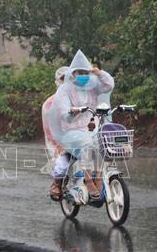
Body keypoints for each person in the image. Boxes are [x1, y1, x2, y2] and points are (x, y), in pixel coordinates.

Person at [48, 50, 115, 201]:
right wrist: (72, 112)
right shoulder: (64, 90)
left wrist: (99, 73)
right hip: (71, 131)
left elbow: (108, 86)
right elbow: (63, 114)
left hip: (91, 128)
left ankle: (98, 177)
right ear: (73, 73)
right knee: (85, 145)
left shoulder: (93, 86)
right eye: (80, 72)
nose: (83, 75)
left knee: (100, 144)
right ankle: (87, 179)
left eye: (86, 72)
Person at [42, 66, 68, 200]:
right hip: (61, 141)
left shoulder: (81, 97)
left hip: (80, 137)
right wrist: (60, 142)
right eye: (63, 79)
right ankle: (56, 184)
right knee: (62, 165)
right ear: (58, 81)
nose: (66, 82)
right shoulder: (50, 103)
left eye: (69, 78)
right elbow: (50, 128)